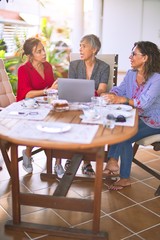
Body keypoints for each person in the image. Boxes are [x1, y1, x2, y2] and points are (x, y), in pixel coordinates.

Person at [102, 41, 160, 190]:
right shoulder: (131, 74)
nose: (130, 56)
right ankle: (113, 163)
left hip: (154, 120)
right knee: (117, 126)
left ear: (145, 57)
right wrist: (111, 94)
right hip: (137, 116)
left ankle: (122, 174)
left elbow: (145, 103)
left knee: (126, 135)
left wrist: (123, 100)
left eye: (134, 54)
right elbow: (120, 90)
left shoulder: (157, 79)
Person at [17, 37, 64, 177]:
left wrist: (57, 86)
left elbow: (51, 87)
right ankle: (27, 152)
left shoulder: (48, 66)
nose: (43, 53)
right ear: (30, 55)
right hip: (28, 108)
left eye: (43, 49)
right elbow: (27, 94)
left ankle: (58, 163)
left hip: (46, 104)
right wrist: (47, 90)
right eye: (39, 51)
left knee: (59, 122)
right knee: (40, 123)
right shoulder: (23, 70)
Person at [65, 34, 110, 175]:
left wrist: (89, 94)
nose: (80, 49)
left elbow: (102, 89)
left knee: (89, 125)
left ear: (94, 49)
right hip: (75, 104)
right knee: (72, 123)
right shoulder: (74, 65)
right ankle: (74, 157)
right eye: (80, 46)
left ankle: (84, 161)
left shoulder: (104, 67)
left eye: (84, 46)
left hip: (94, 106)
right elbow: (69, 88)